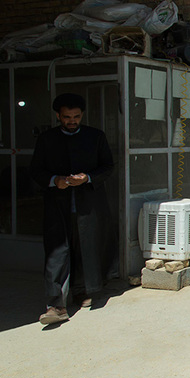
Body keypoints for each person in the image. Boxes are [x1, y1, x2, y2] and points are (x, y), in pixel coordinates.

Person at [30, 93, 115, 325]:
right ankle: (55, 304)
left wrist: (87, 177)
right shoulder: (47, 139)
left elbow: (108, 167)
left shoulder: (95, 136)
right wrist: (54, 180)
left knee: (84, 248)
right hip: (58, 204)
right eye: (67, 117)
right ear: (58, 116)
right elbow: (35, 170)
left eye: (76, 117)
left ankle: (82, 290)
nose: (72, 121)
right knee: (57, 253)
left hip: (88, 204)